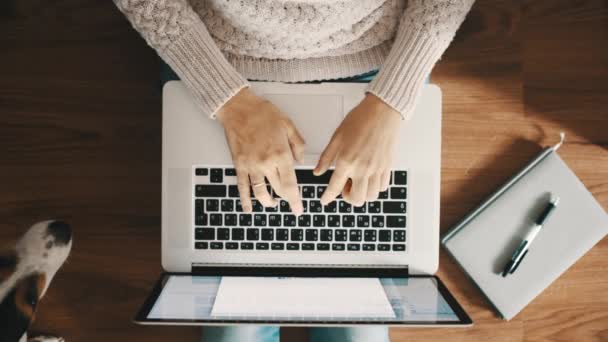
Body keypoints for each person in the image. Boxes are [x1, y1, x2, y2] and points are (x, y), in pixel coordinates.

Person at [114, 0, 474, 341]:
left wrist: (391, 99)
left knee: (360, 331)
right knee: (235, 332)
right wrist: (227, 99)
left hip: (376, 59)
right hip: (217, 59)